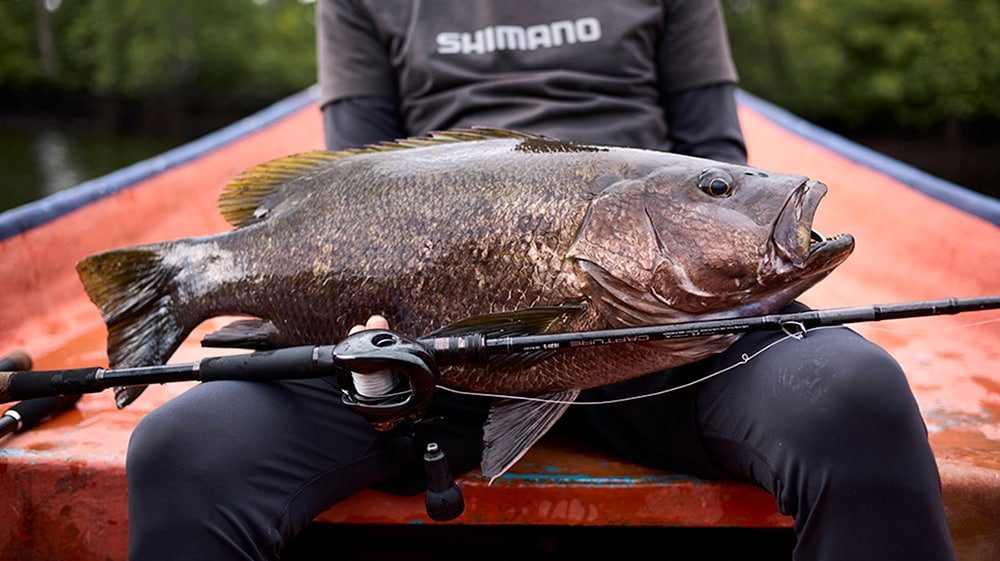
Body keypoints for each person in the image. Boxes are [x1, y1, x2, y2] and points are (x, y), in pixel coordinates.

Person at [125, 1, 956, 560]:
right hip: (427, 361)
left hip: (673, 333)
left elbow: (722, 164)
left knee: (857, 397)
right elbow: (342, 189)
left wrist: (715, 247)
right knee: (184, 450)